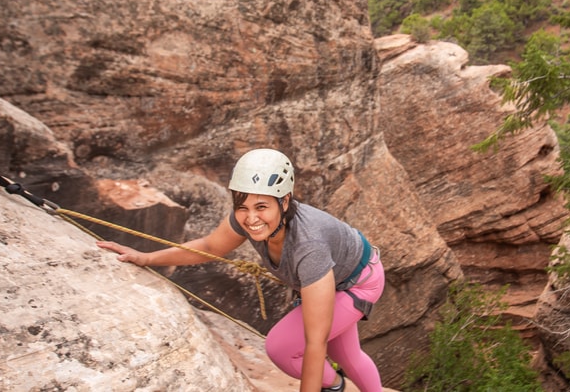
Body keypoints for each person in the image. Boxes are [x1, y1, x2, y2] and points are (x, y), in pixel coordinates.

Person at [97, 148, 385, 392]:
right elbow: (209, 246)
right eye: (242, 206)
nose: (251, 218)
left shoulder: (308, 245)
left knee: (285, 348)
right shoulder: (247, 218)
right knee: (343, 352)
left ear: (285, 201)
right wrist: (146, 258)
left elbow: (314, 343)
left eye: (262, 206)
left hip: (358, 281)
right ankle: (337, 386)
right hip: (335, 272)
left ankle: (335, 386)